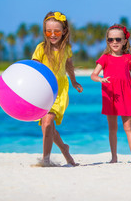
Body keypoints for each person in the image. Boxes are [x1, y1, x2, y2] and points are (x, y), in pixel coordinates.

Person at [32, 11, 83, 166]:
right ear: (44, 31)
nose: (52, 34)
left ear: (64, 31)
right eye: (49, 31)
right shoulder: (41, 48)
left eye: (57, 31)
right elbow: (33, 68)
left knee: (47, 123)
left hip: (59, 90)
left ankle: (45, 160)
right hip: (43, 91)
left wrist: (74, 82)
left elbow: (68, 65)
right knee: (49, 128)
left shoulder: (66, 48)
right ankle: (64, 149)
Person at [91, 24, 131, 163]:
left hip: (126, 95)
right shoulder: (105, 58)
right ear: (107, 41)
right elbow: (93, 75)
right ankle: (114, 157)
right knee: (112, 128)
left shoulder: (128, 58)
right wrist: (101, 79)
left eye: (118, 39)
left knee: (128, 126)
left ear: (124, 40)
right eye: (110, 39)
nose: (114, 42)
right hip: (110, 96)